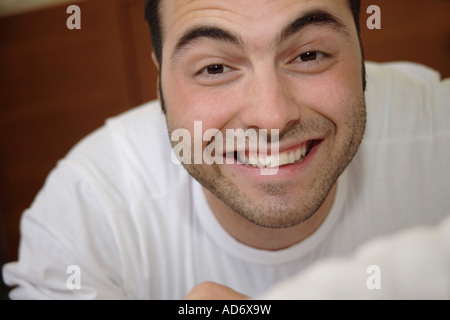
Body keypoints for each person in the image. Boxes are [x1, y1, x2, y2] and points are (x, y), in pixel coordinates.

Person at [2, 0, 449, 299]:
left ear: (360, 47)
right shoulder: (87, 214)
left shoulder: (437, 132)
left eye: (309, 56)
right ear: (159, 79)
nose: (272, 117)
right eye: (215, 67)